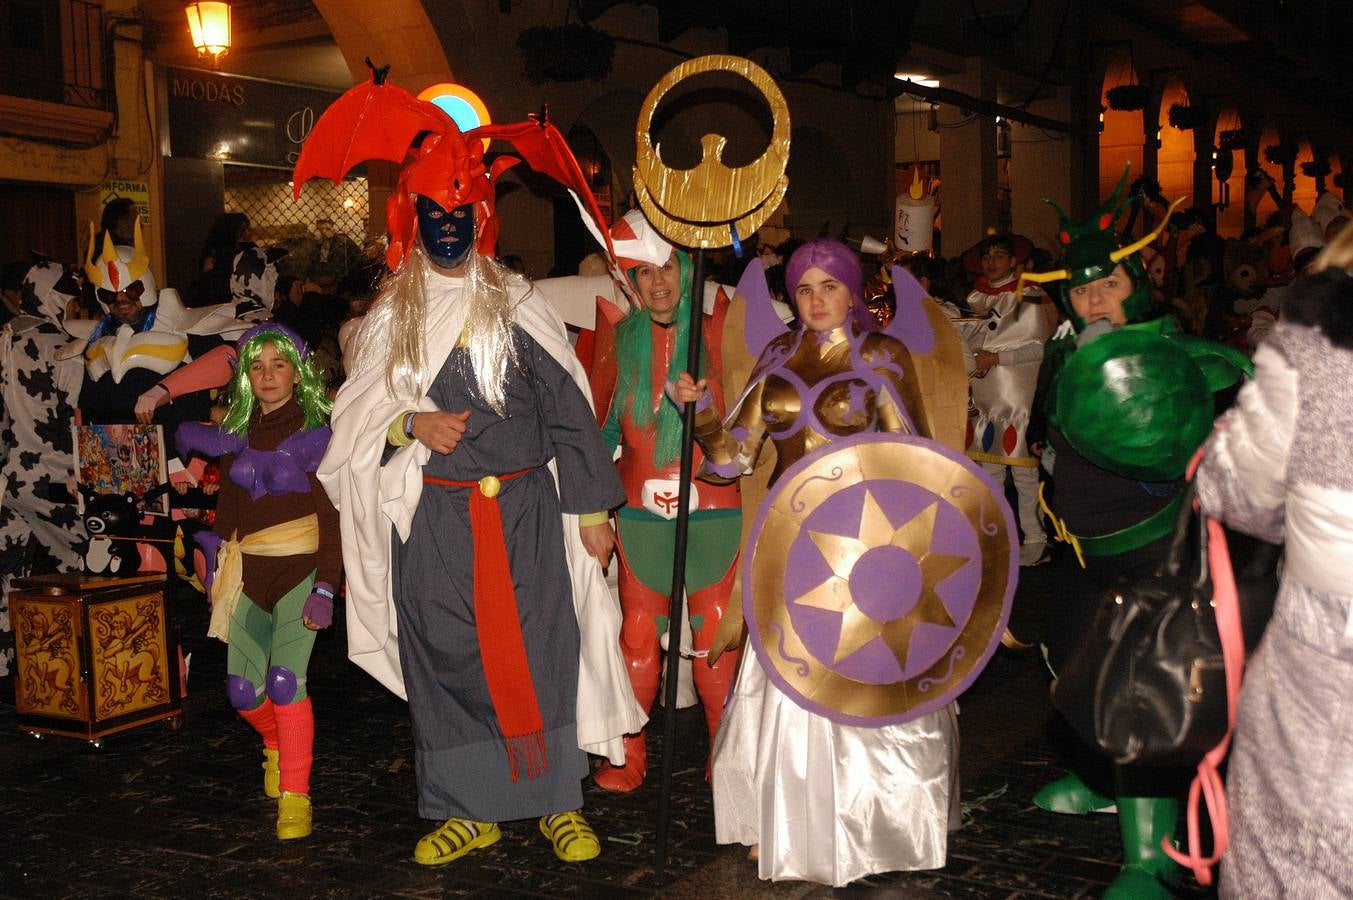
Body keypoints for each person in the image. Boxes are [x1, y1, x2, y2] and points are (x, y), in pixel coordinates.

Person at [306, 78, 642, 866]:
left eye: (461, 216)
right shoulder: (393, 317)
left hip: (527, 513)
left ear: (481, 217)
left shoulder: (516, 303)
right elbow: (353, 421)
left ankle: (555, 798)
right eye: (434, 216)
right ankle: (467, 807)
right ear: (413, 220)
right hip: (436, 520)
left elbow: (567, 410)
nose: (448, 229)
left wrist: (593, 513)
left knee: (543, 651)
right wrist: (408, 422)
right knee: (447, 656)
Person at [675, 239, 960, 886]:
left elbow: (913, 454)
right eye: (803, 288)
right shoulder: (776, 355)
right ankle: (780, 818)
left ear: (851, 290)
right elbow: (734, 458)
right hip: (788, 540)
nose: (815, 299)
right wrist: (699, 416)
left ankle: (877, 825)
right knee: (785, 681)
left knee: (857, 678)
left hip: (865, 542)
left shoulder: (880, 355)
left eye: (828, 286)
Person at [1021, 171, 1250, 899]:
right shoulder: (1066, 351)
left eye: (1108, 284)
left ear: (1137, 286)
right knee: (1078, 667)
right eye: (1081, 290)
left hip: (1159, 551)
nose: (1093, 299)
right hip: (1080, 549)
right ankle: (1100, 778)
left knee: (1150, 689)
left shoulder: (1172, 351)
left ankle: (1148, 854)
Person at [1194, 228, 1353, 897]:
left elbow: (1239, 493)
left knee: (1299, 853)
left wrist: (1224, 441)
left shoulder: (1315, 349)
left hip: (1326, 657)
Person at [585, 210, 742, 792]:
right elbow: (599, 435)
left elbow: (749, 440)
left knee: (716, 637)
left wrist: (707, 418)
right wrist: (593, 509)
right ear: (630, 280)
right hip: (640, 516)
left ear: (686, 270)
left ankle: (727, 758)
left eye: (667, 269)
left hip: (714, 513)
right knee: (637, 635)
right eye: (644, 272)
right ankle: (629, 756)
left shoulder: (722, 334)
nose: (657, 283)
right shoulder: (616, 341)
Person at [176, 322, 340, 841]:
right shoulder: (236, 434)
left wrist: (327, 587)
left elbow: (334, 518)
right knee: (244, 693)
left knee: (286, 683)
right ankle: (275, 744)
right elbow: (227, 514)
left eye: (279, 364)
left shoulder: (318, 433)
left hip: (301, 571)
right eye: (257, 365)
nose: (268, 375)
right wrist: (216, 568)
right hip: (248, 573)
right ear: (247, 375)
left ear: (297, 371)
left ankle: (296, 795)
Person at [0, 260, 86, 677]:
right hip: (54, 478)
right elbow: (75, 416)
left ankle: (7, 664)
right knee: (84, 564)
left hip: (6, 476)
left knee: (8, 575)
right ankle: (79, 664)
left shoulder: (4, 337)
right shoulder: (63, 345)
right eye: (69, 299)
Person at [961, 233, 1055, 566]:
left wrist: (996, 360)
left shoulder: (1027, 297)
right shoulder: (977, 298)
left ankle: (1035, 537)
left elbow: (1038, 347)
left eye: (999, 255)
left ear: (1014, 261)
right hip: (985, 398)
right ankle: (999, 538)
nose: (991, 262)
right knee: (990, 470)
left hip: (1018, 397)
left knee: (1024, 472)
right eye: (988, 256)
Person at [307, 218, 362, 290]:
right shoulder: (317, 245)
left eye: (327, 228)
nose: (324, 232)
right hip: (322, 277)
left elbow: (357, 256)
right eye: (321, 229)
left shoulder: (343, 241)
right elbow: (313, 262)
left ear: (333, 228)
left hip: (340, 278)